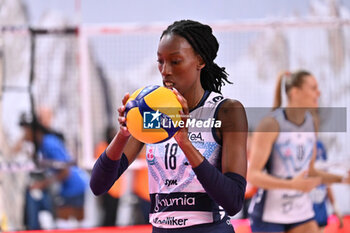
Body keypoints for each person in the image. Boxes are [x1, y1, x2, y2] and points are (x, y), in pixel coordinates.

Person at [90, 19, 248, 233]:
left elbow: (233, 202)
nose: (165, 71)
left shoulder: (226, 111)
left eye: (175, 61)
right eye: (160, 62)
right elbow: (98, 186)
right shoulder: (153, 113)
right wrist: (123, 134)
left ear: (200, 61)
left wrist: (185, 142)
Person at [247, 70, 350, 233]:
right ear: (295, 92)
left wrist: (343, 179)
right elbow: (253, 176)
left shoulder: (312, 123)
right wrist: (291, 184)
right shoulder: (270, 125)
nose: (319, 92)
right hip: (269, 217)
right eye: (313, 88)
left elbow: (310, 171)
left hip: (301, 214)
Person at [18, 113, 87, 229]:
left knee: (66, 224)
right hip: (71, 186)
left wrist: (42, 184)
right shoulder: (42, 145)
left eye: (26, 132)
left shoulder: (48, 143)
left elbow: (65, 172)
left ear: (34, 131)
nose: (25, 135)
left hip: (74, 186)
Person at [310, 139, 343, 233]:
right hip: (302, 212)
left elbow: (326, 179)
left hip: (320, 210)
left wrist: (336, 208)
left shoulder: (320, 145)